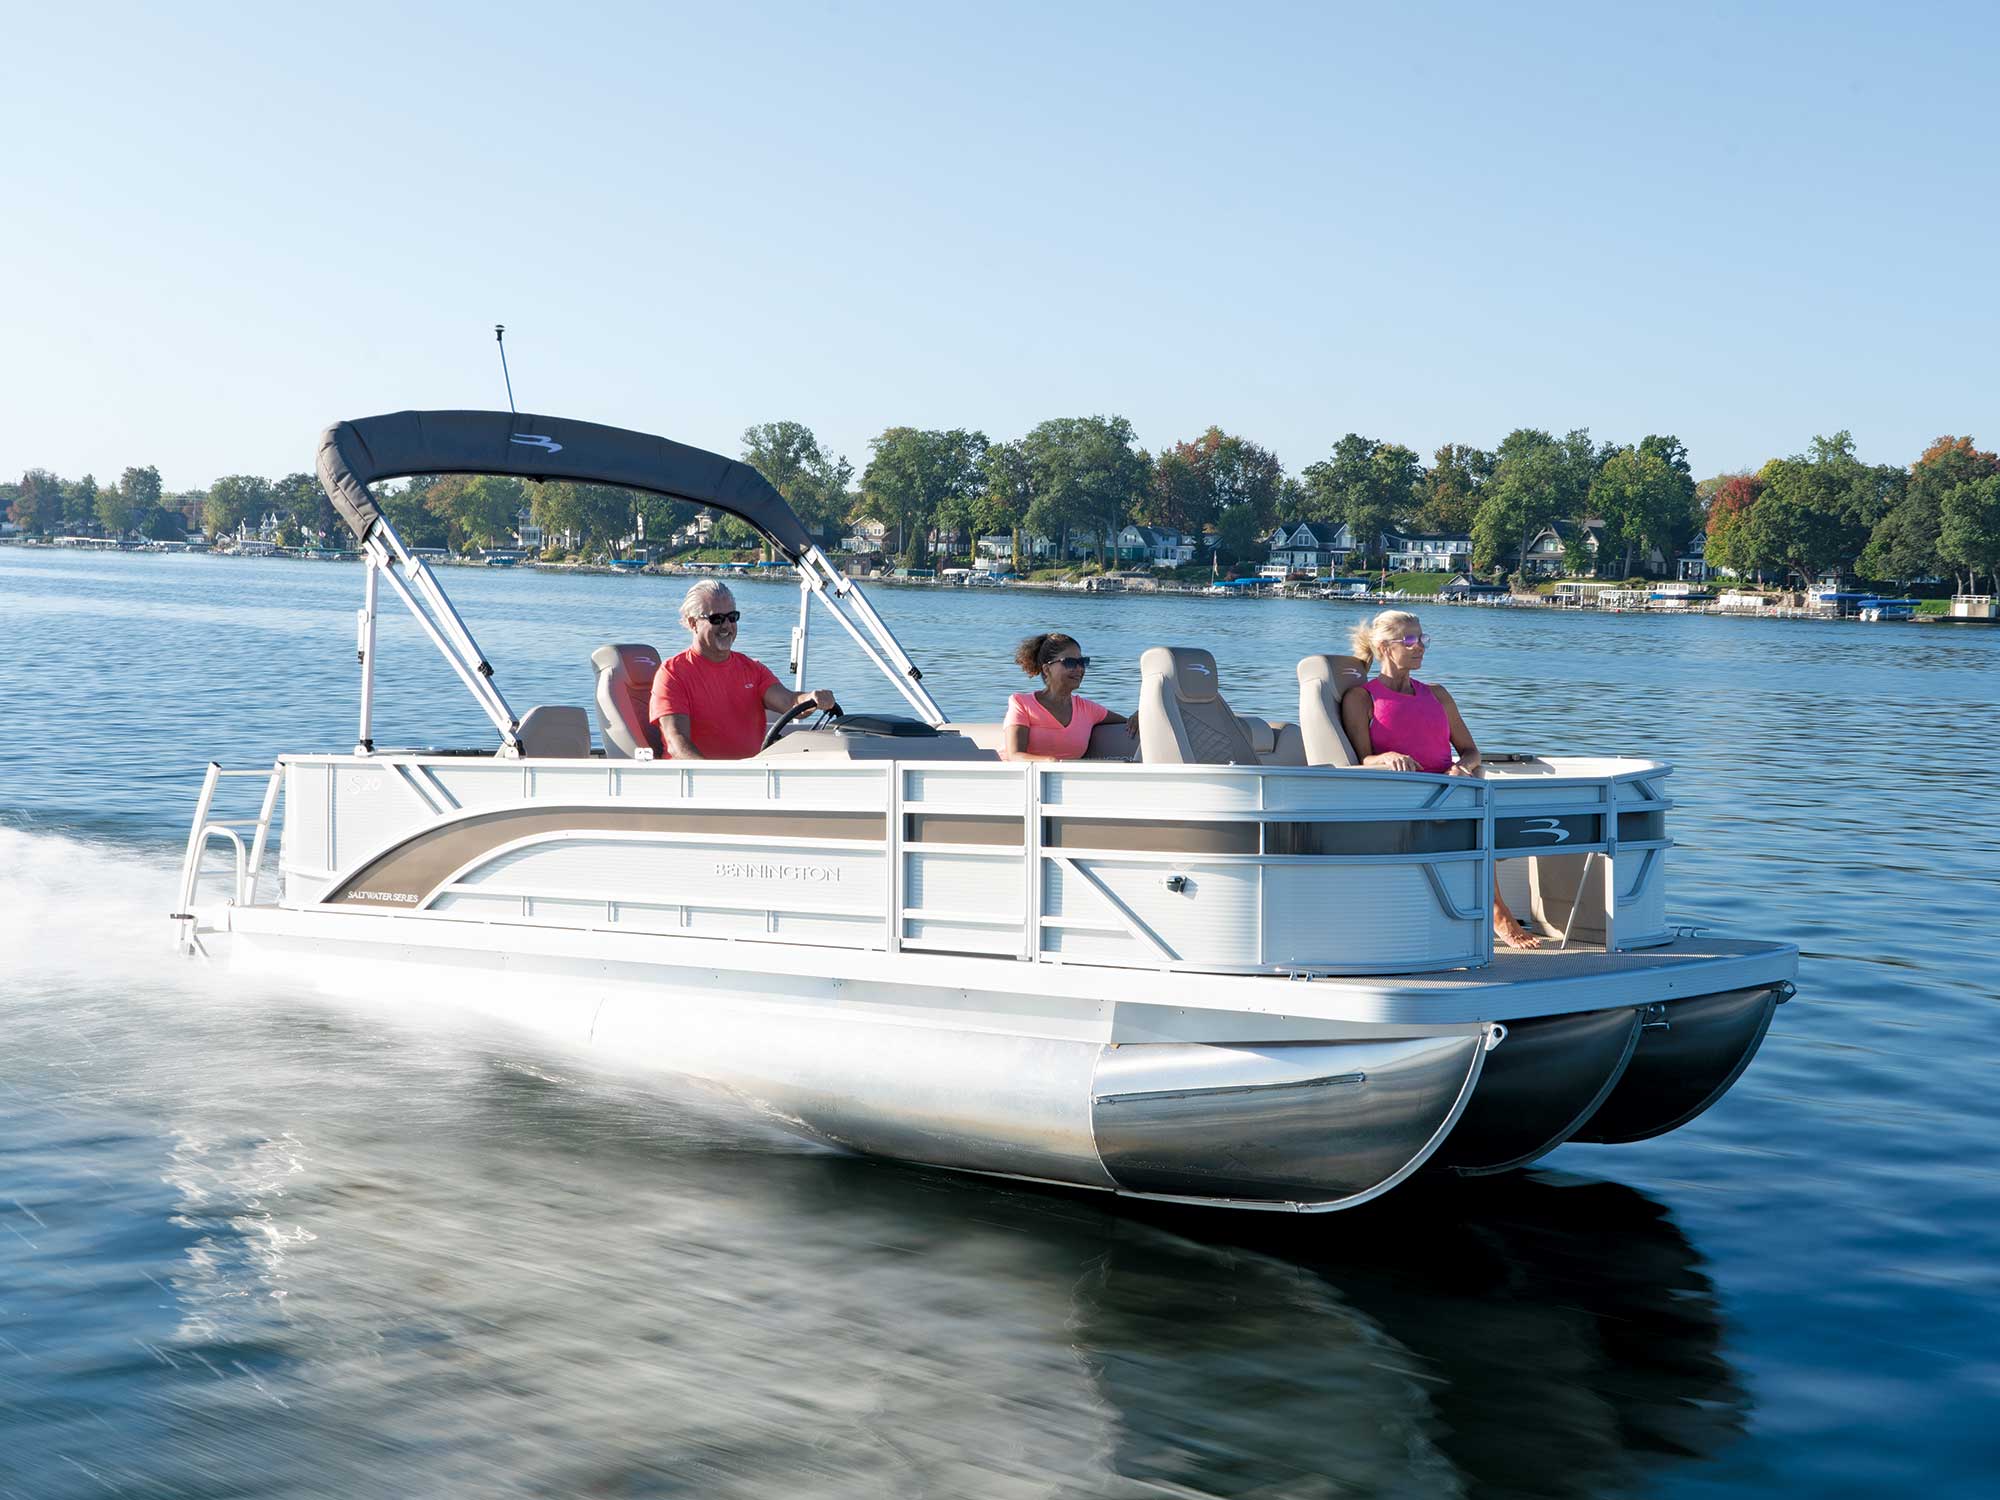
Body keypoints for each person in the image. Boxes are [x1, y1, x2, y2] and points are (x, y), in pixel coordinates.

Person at [1339, 610, 1542, 950]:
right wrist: (1386, 757)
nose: (1420, 647)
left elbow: (1471, 750)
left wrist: (1461, 767)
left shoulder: (1438, 694)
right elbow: (1362, 759)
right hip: (1406, 796)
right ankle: (1496, 912)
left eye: (1422, 639)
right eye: (1410, 640)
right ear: (1386, 648)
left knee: (1483, 806)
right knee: (1476, 816)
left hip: (1452, 788)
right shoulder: (1361, 698)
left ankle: (1493, 909)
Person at [649, 580, 837, 760]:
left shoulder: (752, 669)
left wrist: (811, 698)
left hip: (749, 777)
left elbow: (790, 702)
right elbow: (677, 743)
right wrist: (713, 776)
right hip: (697, 783)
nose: (726, 626)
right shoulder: (673, 674)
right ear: (692, 623)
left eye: (732, 617)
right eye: (717, 619)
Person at [1000, 632, 1136, 761]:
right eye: (1070, 662)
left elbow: (1128, 722)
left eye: (1082, 662)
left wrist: (1138, 716)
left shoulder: (1088, 709)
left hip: (1060, 782)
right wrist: (1051, 763)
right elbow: (1015, 757)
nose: (1079, 669)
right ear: (1047, 669)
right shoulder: (1021, 704)